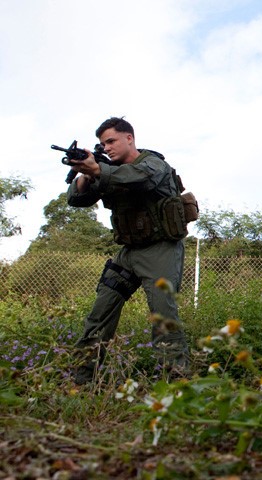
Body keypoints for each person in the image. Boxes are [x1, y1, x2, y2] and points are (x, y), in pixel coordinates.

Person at [67, 117, 189, 384]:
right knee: (101, 313)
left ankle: (178, 385)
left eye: (111, 141)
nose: (107, 147)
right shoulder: (107, 170)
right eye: (102, 144)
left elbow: (139, 179)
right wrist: (85, 174)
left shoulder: (153, 164)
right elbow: (76, 200)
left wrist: (98, 170)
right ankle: (81, 380)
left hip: (160, 249)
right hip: (128, 253)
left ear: (129, 138)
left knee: (162, 314)